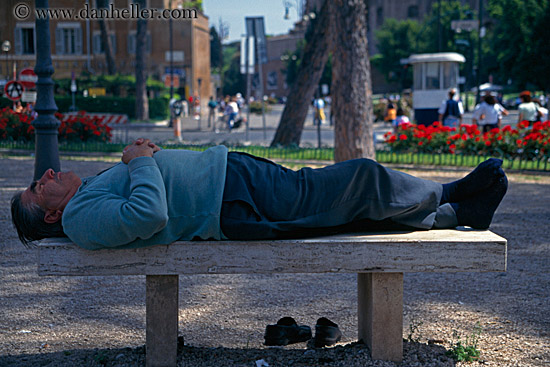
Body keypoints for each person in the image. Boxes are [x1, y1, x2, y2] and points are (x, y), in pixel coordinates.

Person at [11, 138, 508, 250]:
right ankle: (453, 191)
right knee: (356, 179)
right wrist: (140, 159)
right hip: (231, 201)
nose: (47, 173)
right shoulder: (80, 221)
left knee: (342, 210)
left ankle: (453, 215)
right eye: (39, 186)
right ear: (51, 217)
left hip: (233, 181)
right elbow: (149, 215)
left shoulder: (85, 199)